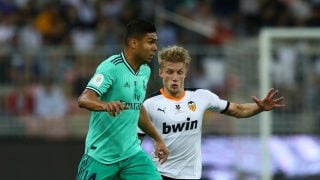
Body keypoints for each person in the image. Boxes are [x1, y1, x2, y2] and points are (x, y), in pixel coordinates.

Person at [139, 45, 285, 180]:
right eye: (170, 72)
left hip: (192, 176)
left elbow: (237, 110)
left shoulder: (201, 96)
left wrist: (258, 107)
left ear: (186, 73)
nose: (175, 77)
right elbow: (134, 142)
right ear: (161, 72)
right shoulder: (150, 104)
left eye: (179, 72)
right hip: (160, 174)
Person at [76, 19, 169, 180]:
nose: (155, 47)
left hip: (132, 154)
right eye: (150, 42)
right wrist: (106, 105)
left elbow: (137, 109)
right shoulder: (111, 67)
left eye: (156, 42)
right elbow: (84, 99)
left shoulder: (144, 72)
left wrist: (158, 139)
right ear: (134, 43)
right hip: (101, 155)